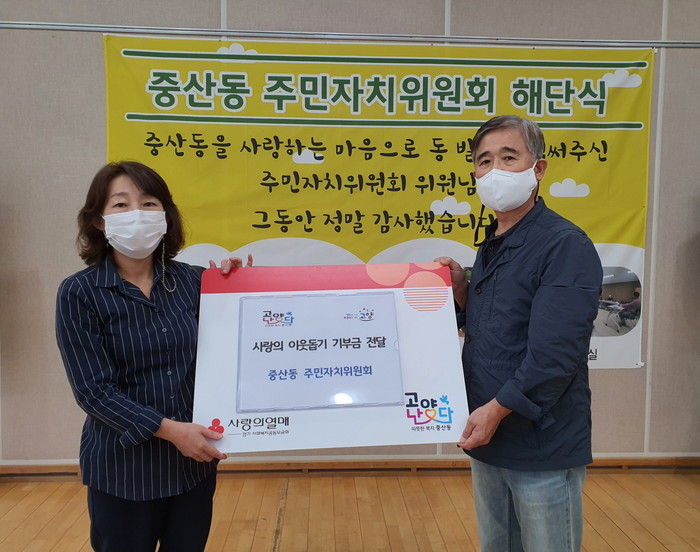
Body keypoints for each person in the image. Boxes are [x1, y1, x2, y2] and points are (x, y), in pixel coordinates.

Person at [55, 161, 251, 552]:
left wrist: (239, 287)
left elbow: (231, 351)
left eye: (148, 204)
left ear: (165, 216)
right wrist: (171, 431)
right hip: (123, 469)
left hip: (192, 466)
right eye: (121, 205)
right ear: (99, 221)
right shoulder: (80, 293)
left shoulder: (194, 281)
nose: (137, 214)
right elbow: (94, 391)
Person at [436, 115, 602, 552]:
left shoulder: (563, 244)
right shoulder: (493, 241)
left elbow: (555, 353)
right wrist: (462, 291)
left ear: (538, 168)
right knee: (498, 545)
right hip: (488, 433)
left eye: (509, 158)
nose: (495, 170)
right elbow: (498, 324)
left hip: (539, 438)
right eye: (484, 161)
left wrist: (494, 411)